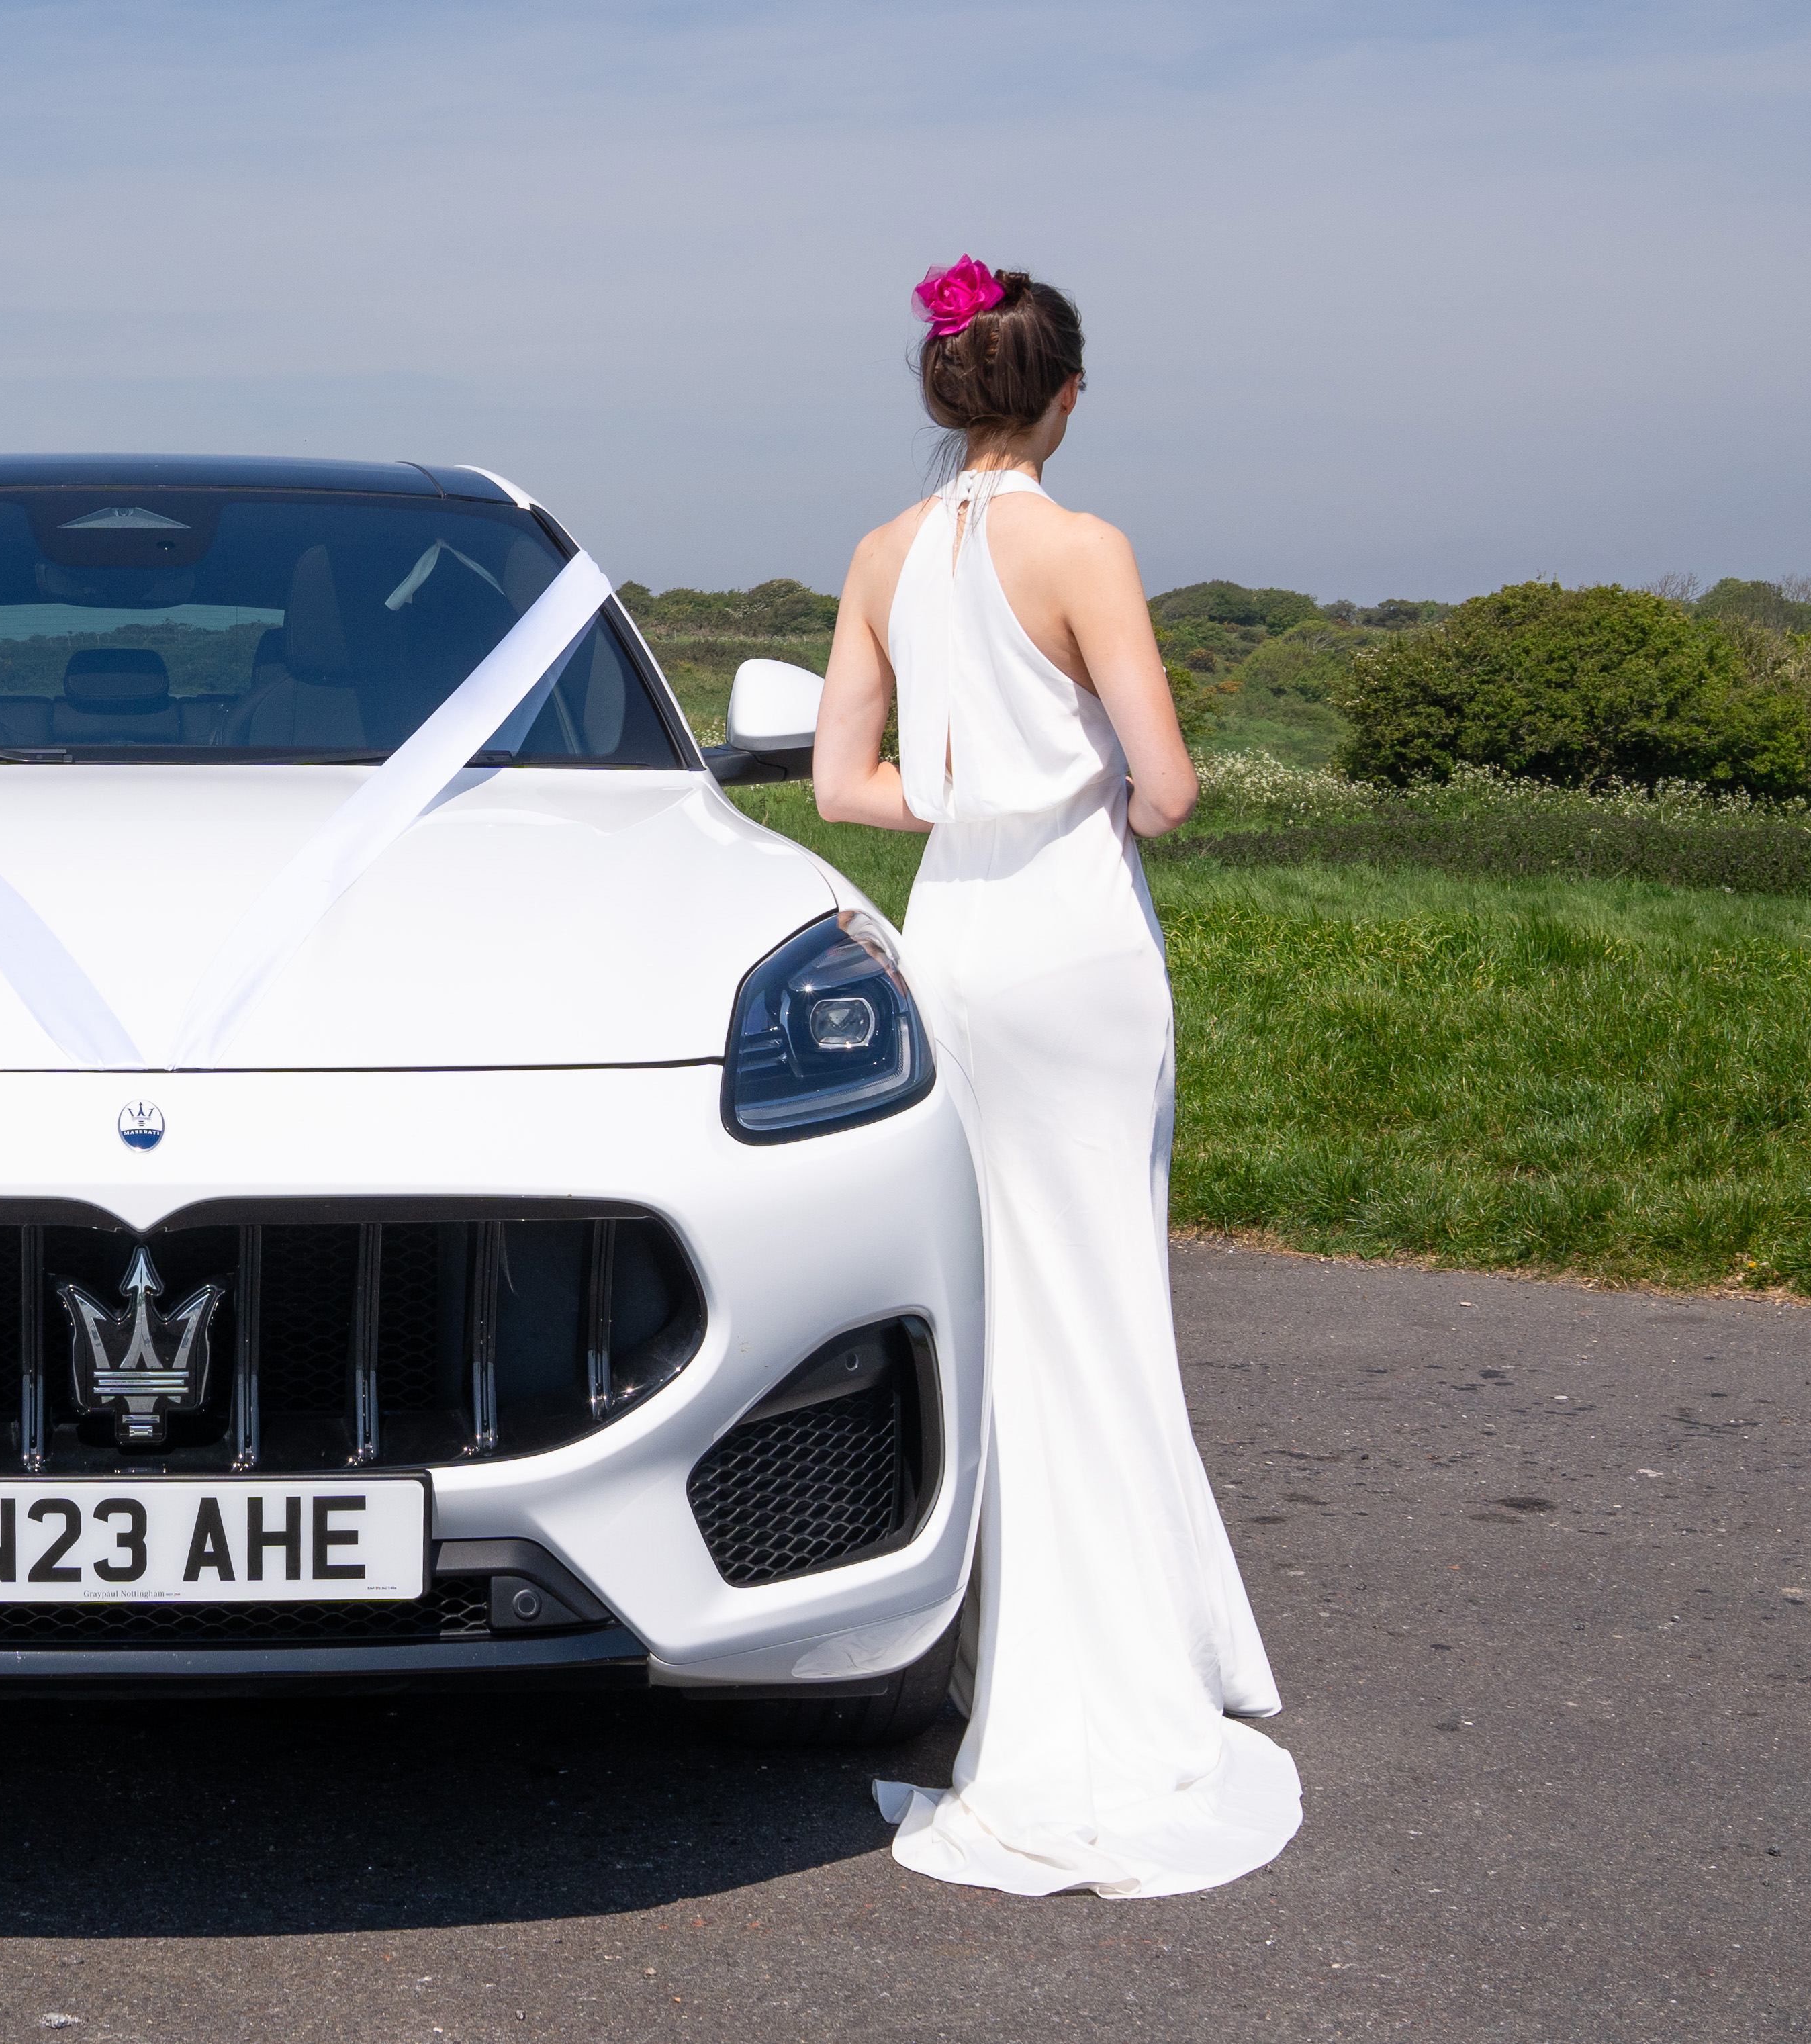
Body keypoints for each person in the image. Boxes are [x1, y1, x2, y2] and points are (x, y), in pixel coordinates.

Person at [809, 257, 1301, 1898]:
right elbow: (1164, 789)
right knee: (1106, 1294)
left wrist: (957, 790)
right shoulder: (1086, 550)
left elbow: (840, 783)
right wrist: (1082, 778)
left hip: (955, 936)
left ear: (944, 394)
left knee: (1002, 1297)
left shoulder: (883, 554)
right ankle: (1124, 1669)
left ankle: (996, 1660)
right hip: (1080, 944)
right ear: (1066, 395)